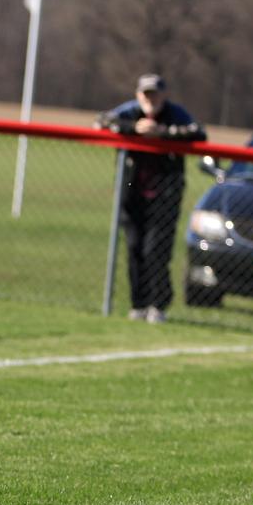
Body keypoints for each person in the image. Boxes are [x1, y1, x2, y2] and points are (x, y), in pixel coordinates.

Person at [96, 73, 206, 324]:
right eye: (146, 94)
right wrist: (133, 128)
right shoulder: (130, 111)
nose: (150, 99)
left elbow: (199, 133)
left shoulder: (175, 114)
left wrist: (163, 133)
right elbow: (100, 122)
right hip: (132, 188)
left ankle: (158, 305)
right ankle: (138, 304)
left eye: (155, 94)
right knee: (134, 247)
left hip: (165, 191)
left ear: (164, 95)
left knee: (156, 250)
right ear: (138, 95)